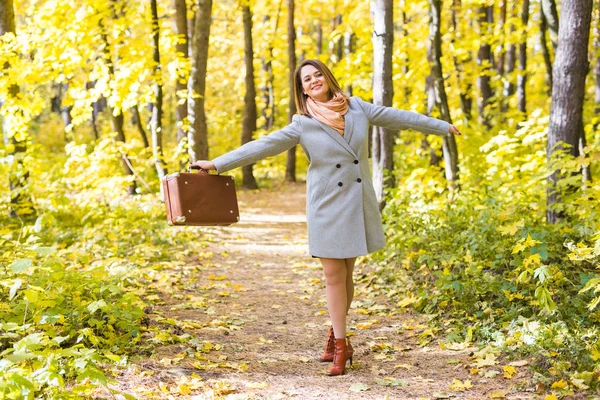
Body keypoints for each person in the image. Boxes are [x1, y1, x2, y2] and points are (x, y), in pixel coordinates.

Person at [191, 59, 460, 376]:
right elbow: (263, 146)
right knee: (334, 276)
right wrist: (218, 164)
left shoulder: (358, 108)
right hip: (327, 206)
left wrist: (441, 126)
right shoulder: (302, 124)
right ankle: (343, 347)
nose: (314, 80)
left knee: (347, 275)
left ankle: (335, 332)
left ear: (328, 77)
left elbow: (398, 118)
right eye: (307, 79)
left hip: (357, 203)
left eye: (318, 74)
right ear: (302, 89)